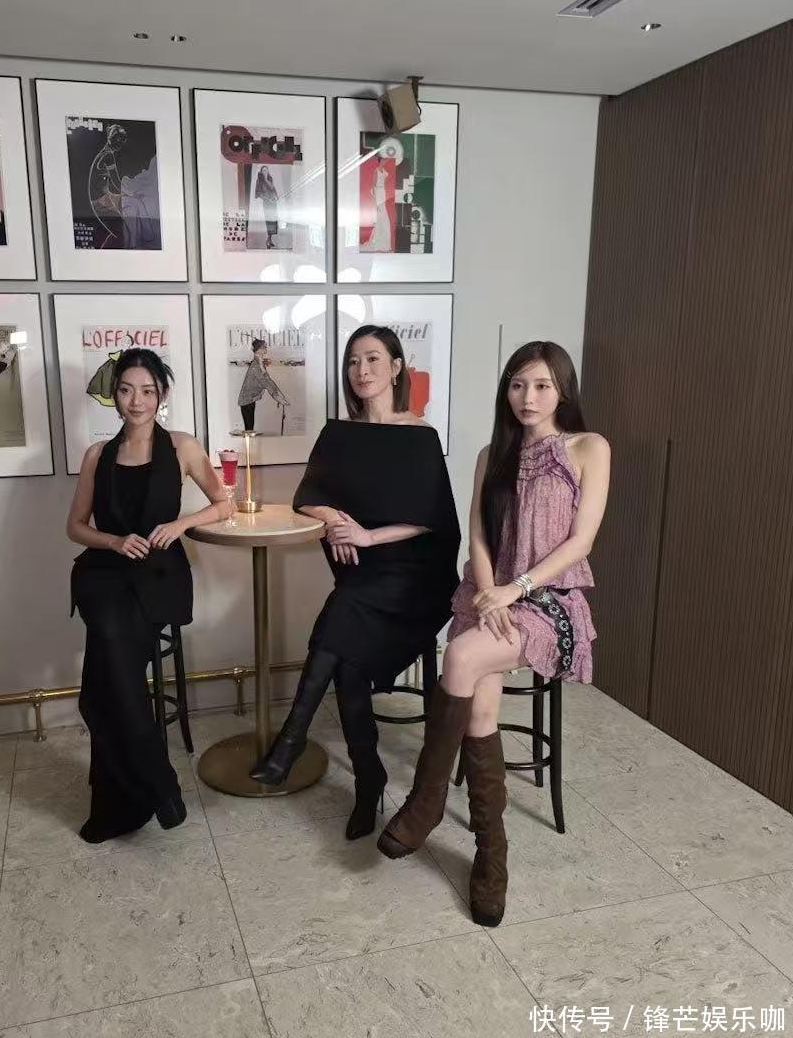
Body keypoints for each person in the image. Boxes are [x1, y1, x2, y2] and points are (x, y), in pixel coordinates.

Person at [377, 341, 611, 928]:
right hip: (488, 593)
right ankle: (491, 856)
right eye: (517, 384)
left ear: (562, 390)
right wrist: (488, 592)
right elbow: (479, 535)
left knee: (459, 657)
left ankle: (427, 801)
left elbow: (581, 541)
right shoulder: (493, 454)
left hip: (549, 601)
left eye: (541, 385)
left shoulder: (589, 448)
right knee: (479, 707)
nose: (527, 397)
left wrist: (517, 589)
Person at [249, 325, 460, 841]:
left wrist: (366, 536)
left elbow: (431, 519)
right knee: (347, 662)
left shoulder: (421, 435)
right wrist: (336, 520)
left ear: (396, 367)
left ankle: (293, 743)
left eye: (372, 359)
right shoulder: (338, 434)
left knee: (343, 616)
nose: (361, 370)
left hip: (415, 578)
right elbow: (307, 497)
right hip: (366, 577)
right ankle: (368, 780)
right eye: (352, 361)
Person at [66, 347, 230, 843]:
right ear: (114, 394)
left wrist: (180, 524)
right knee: (111, 648)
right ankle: (159, 782)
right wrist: (115, 541)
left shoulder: (182, 446)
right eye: (125, 390)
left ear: (162, 395)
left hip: (158, 576)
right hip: (104, 574)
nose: (136, 401)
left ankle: (124, 802)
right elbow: (75, 527)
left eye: (147, 391)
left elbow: (223, 504)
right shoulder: (97, 454)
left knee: (99, 691)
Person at [236, 338, 289, 432]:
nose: (266, 348)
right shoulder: (256, 366)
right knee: (249, 429)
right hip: (246, 401)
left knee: (250, 428)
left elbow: (268, 380)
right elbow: (266, 383)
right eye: (263, 346)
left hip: (250, 399)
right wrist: (279, 398)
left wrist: (280, 396)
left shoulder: (259, 363)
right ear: (258, 349)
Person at [254, 165, 279, 249]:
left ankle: (270, 239)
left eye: (266, 170)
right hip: (267, 203)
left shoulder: (270, 178)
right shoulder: (259, 180)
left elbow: (272, 188)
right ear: (261, 172)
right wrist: (266, 199)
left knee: (273, 221)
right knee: (269, 221)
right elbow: (258, 193)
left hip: (273, 202)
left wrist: (276, 196)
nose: (265, 172)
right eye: (264, 170)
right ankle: (268, 240)